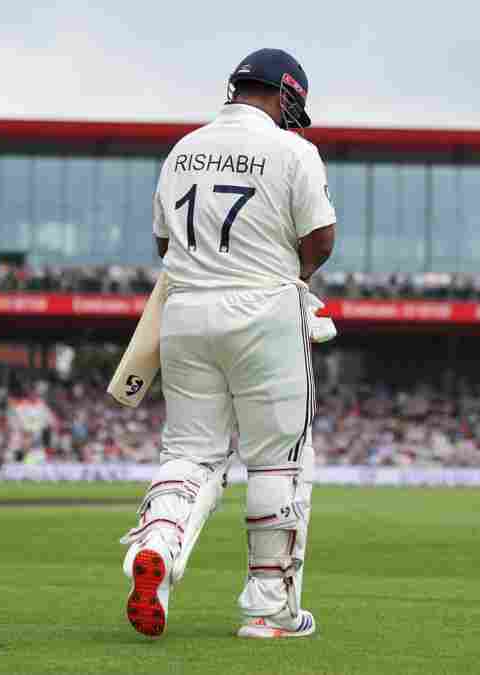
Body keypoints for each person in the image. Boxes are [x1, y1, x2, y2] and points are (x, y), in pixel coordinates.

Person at [119, 48, 336, 640]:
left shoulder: (182, 149)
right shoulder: (293, 150)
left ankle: (158, 549)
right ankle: (270, 609)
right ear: (286, 94)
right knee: (277, 460)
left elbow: (165, 246)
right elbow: (320, 241)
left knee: (189, 454)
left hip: (186, 311)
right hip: (265, 307)